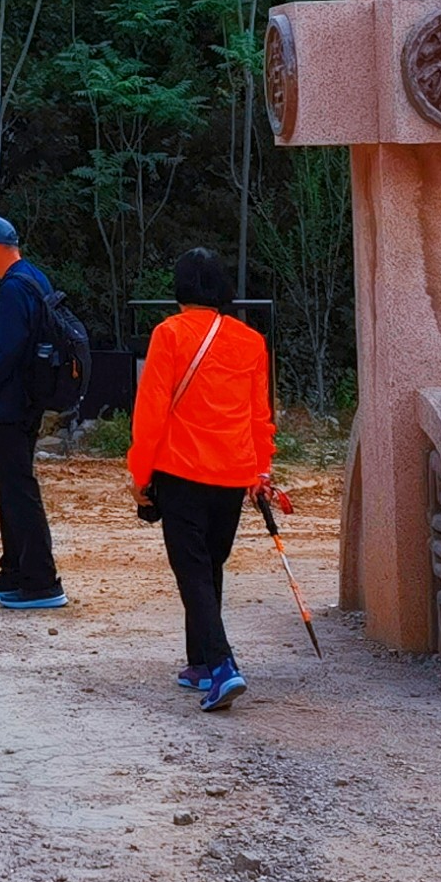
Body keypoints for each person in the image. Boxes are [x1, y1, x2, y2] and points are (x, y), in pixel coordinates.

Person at [128, 243, 276, 710]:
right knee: (210, 566)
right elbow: (259, 415)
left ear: (179, 289)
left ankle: (222, 665)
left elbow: (150, 411)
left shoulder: (168, 334)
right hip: (233, 473)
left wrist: (140, 473)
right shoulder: (251, 341)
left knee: (192, 571)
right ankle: (200, 663)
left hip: (181, 470)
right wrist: (261, 469)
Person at [0, 213, 66, 612]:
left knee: (19, 489)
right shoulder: (34, 279)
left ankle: (41, 580)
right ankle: (17, 571)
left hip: (10, 404)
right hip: (25, 401)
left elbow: (5, 353)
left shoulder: (14, 289)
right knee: (13, 487)